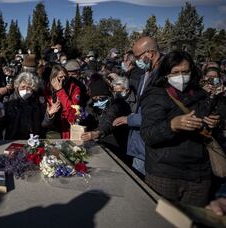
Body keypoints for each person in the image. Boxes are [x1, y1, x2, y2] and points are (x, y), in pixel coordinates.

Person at [141, 50, 221, 206]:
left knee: (190, 222)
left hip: (198, 175)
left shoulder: (201, 95)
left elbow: (211, 129)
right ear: (166, 74)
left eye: (185, 72)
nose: (181, 77)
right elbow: (148, 134)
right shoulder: (156, 95)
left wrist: (214, 123)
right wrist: (171, 125)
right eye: (175, 72)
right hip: (165, 174)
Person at [118, 36, 163, 176]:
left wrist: (130, 119)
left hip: (153, 147)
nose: (135, 61)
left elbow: (158, 114)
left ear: (149, 53)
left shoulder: (164, 76)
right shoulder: (146, 75)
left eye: (137, 57)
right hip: (140, 143)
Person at [80, 74, 132, 163]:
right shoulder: (91, 105)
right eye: (95, 98)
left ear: (108, 96)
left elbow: (108, 122)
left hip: (117, 146)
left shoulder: (116, 105)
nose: (98, 101)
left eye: (102, 98)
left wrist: (98, 133)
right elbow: (87, 119)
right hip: (98, 147)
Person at [43, 65, 81, 139]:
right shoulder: (47, 90)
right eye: (60, 77)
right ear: (53, 78)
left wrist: (60, 91)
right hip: (52, 128)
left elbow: (73, 110)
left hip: (67, 127)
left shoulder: (74, 88)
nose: (63, 79)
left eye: (65, 76)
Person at [4, 72, 46, 139]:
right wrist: (0, 116)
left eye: (29, 88)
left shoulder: (38, 102)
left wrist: (49, 115)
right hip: (13, 139)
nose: (25, 90)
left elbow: (44, 123)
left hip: (33, 140)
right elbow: (3, 123)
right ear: (18, 86)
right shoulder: (9, 101)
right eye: (23, 87)